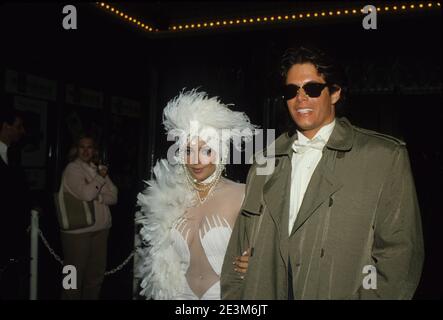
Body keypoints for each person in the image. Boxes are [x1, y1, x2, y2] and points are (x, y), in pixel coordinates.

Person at [221, 45, 424, 299]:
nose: (301, 98)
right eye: (291, 91)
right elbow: (239, 252)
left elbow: (399, 260)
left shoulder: (382, 157)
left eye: (313, 89)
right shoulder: (264, 161)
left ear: (335, 93)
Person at [135, 89, 256, 300]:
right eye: (188, 150)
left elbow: (267, 248)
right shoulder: (169, 198)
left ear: (221, 152)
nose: (196, 160)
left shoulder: (242, 194)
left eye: (206, 150)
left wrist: (256, 259)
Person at [59, 134, 118, 299]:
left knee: (95, 278)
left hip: (100, 230)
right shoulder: (72, 169)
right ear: (76, 149)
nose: (86, 151)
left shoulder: (94, 167)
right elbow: (86, 194)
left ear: (94, 150)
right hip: (77, 233)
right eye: (82, 147)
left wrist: (98, 196)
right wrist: (100, 179)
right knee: (71, 278)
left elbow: (114, 196)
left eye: (89, 147)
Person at [0, 103, 29, 299]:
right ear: (5, 126)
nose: (22, 131)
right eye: (18, 126)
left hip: (12, 236)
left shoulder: (14, 154)